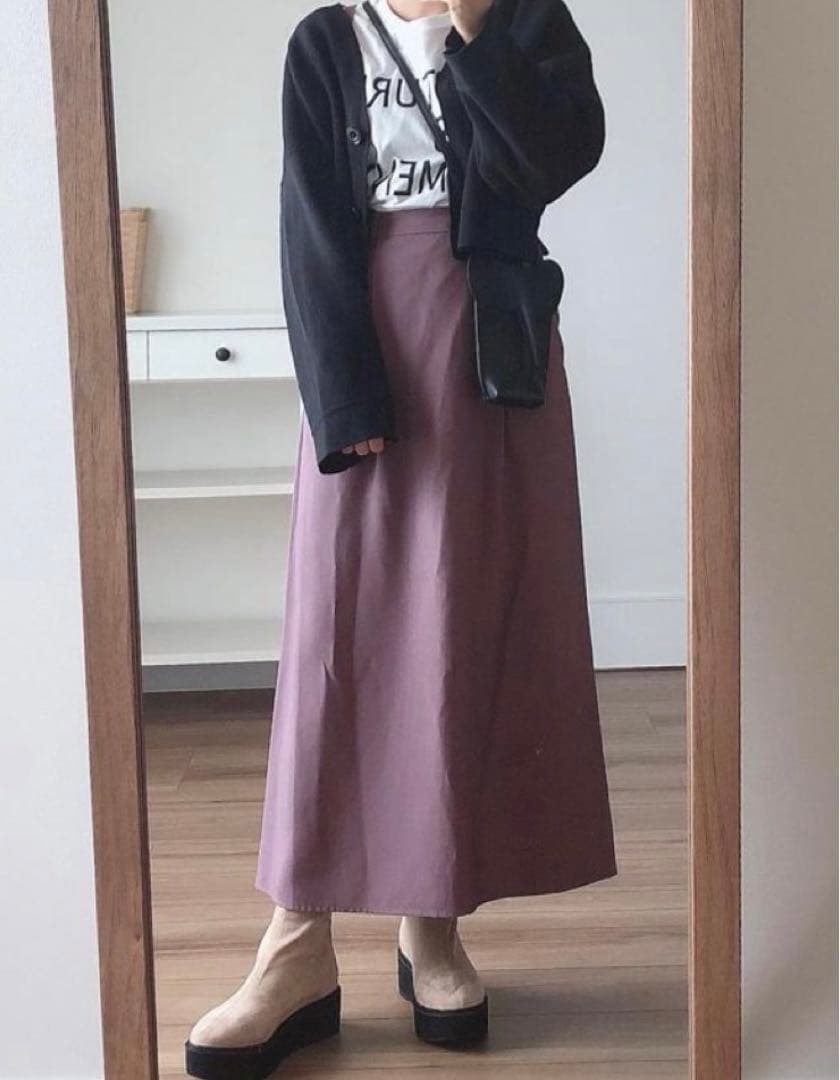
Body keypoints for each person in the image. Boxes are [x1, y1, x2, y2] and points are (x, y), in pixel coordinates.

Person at [186, 1, 617, 1076]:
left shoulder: (525, 20)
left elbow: (552, 163)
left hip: (487, 360)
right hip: (364, 342)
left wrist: (476, 34)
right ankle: (296, 942)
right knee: (335, 632)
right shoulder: (325, 40)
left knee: (456, 630)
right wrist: (341, 395)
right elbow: (309, 222)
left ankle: (434, 921)